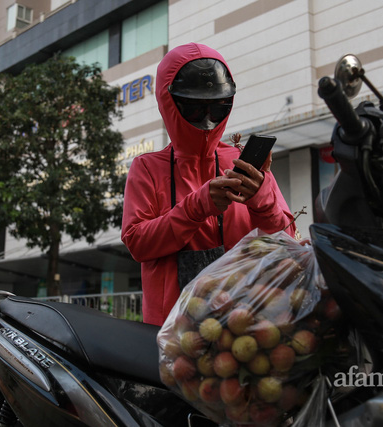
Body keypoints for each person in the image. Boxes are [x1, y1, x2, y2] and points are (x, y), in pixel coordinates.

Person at [121, 43, 296, 326]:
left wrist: (261, 196)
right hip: (173, 333)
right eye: (193, 109)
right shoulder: (147, 168)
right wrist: (198, 206)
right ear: (169, 102)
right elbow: (138, 244)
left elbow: (286, 242)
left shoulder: (243, 163)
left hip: (245, 324)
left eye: (218, 109)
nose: (206, 120)